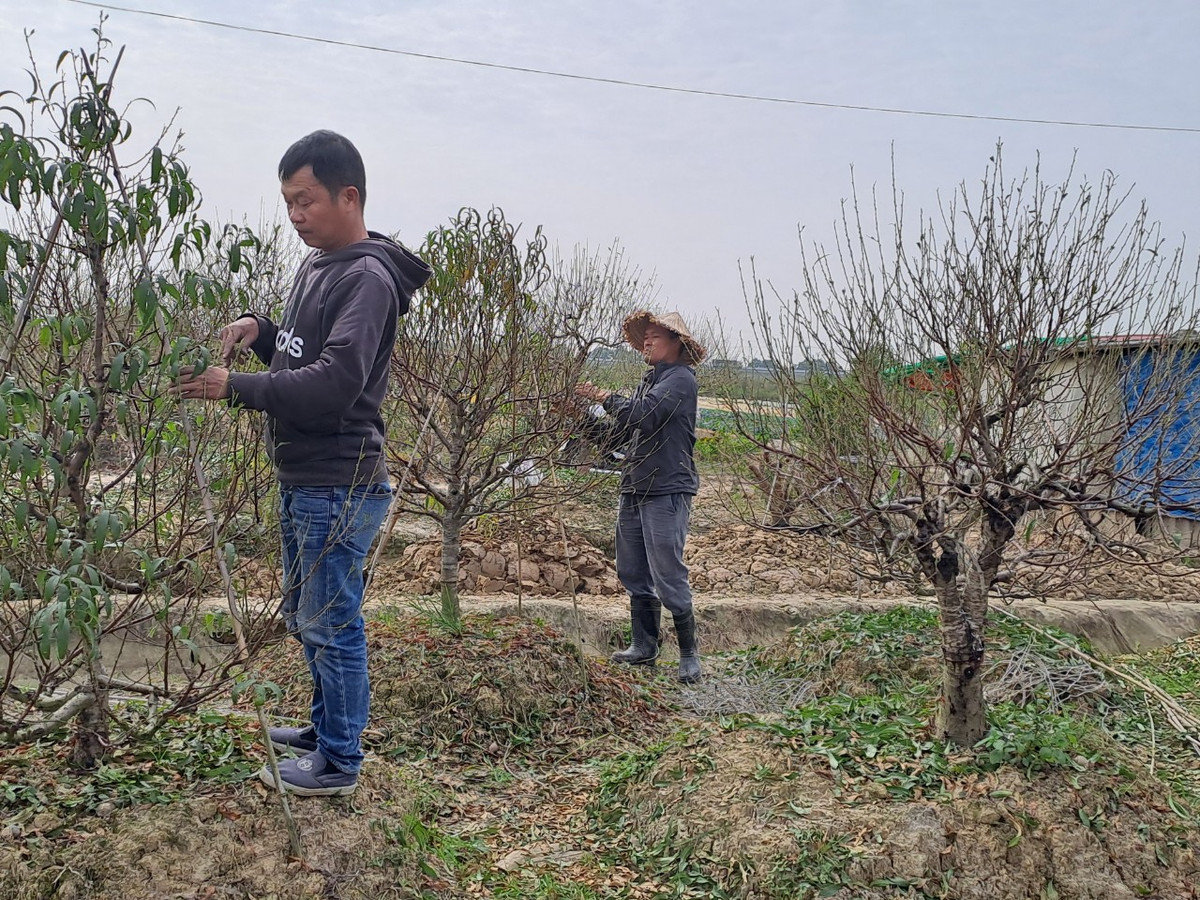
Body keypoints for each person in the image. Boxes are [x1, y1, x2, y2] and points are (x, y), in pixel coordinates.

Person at [176, 130, 432, 796]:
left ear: (349, 196)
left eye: (306, 200)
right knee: (307, 618)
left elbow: (330, 384)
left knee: (332, 622)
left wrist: (231, 387)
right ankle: (325, 730)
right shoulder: (319, 264)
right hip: (305, 477)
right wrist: (260, 331)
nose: (295, 215)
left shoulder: (368, 277)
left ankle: (340, 762)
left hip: (338, 480)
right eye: (288, 202)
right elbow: (300, 354)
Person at [575, 310, 705, 683]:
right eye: (644, 337)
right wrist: (582, 419)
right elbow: (620, 439)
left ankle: (689, 655)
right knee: (632, 569)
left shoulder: (680, 381)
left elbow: (644, 417)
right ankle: (644, 646)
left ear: (677, 343)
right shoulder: (650, 382)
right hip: (635, 486)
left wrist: (602, 396)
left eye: (654, 337)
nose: (646, 342)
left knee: (668, 572)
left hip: (666, 488)